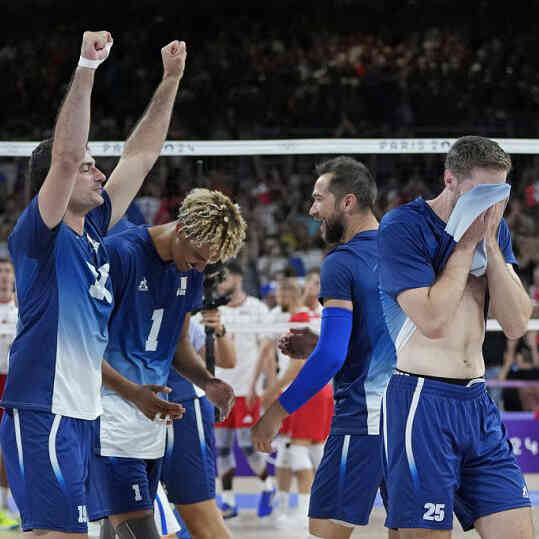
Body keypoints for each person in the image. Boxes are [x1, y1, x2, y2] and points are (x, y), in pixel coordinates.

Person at [0, 31, 187, 538]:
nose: (98, 173)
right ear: (54, 184)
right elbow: (64, 157)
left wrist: (170, 81)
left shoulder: (96, 232)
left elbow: (141, 156)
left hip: (83, 413)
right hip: (45, 409)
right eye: (88, 168)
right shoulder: (43, 234)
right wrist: (86, 66)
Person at [378, 135, 533, 538]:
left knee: (517, 531)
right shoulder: (404, 226)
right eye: (481, 193)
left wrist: (492, 247)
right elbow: (432, 318)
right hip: (421, 399)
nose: (491, 203)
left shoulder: (493, 232)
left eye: (499, 193)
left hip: (476, 400)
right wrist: (466, 244)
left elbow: (516, 322)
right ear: (450, 180)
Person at [252, 156, 397, 539]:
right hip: (414, 413)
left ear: (347, 202)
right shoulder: (404, 249)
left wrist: (274, 413)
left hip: (365, 414)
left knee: (325, 529)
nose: (311, 209)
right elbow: (389, 332)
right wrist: (319, 343)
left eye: (318, 199)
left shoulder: (342, 261)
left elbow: (332, 357)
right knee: (409, 529)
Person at [92, 188, 245, 539]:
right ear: (182, 228)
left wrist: (208, 382)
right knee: (138, 529)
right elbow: (82, 346)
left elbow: (176, 343)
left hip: (149, 418)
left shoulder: (189, 274)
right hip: (109, 413)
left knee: (116, 530)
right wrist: (132, 393)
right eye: (197, 257)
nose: (200, 267)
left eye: (209, 261)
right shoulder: (120, 254)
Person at [258, 278, 333, 529]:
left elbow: (297, 365)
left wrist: (272, 389)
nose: (277, 295)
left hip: (304, 391)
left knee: (298, 447)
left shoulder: (300, 320)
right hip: (316, 390)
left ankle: (305, 511)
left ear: (290, 293)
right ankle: (285, 507)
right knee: (292, 450)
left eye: (280, 290)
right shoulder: (299, 318)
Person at [210, 260, 276, 519]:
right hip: (221, 390)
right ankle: (228, 501)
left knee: (248, 446)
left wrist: (266, 386)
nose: (219, 284)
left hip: (248, 391)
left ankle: (267, 487)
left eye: (223, 278)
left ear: (237, 278)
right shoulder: (217, 312)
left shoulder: (257, 308)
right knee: (222, 448)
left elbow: (267, 352)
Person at [161, 313, 236, 539]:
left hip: (178, 406)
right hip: (121, 409)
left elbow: (228, 360)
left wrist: (219, 331)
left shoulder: (179, 307)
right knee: (140, 515)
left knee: (202, 519)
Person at [0, 258, 18, 531]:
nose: (3, 277)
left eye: (7, 272)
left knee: (11, 443)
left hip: (15, 383)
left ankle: (11, 503)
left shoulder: (23, 308)